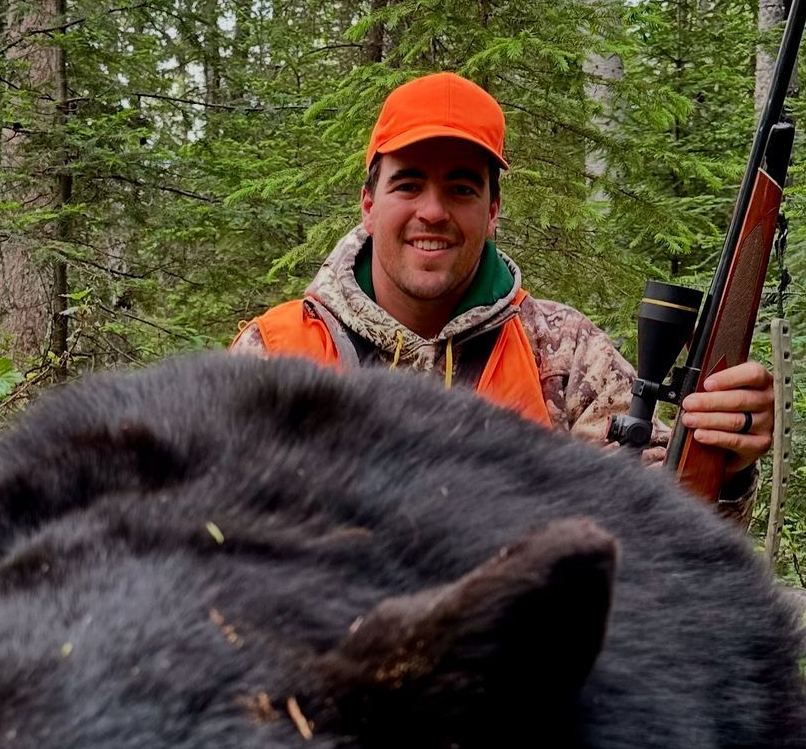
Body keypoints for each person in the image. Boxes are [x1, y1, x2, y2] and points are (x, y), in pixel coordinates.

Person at [232, 71, 774, 520]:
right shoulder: (274, 355)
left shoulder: (562, 353)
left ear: (492, 213)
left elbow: (669, 537)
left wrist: (726, 463)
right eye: (409, 184)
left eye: (462, 188)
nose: (433, 212)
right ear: (368, 204)